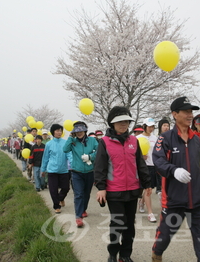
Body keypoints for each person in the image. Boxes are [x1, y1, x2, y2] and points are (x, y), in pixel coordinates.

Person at [152, 96, 200, 262]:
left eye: (191, 111)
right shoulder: (165, 138)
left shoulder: (196, 140)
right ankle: (156, 253)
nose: (190, 115)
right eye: (186, 111)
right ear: (175, 114)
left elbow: (197, 166)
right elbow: (158, 160)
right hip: (174, 200)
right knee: (165, 236)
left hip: (199, 200)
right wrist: (173, 170)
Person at [95, 106, 151, 262]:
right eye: (120, 121)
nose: (124, 124)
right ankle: (113, 253)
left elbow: (140, 163)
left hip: (133, 190)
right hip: (114, 191)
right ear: (112, 123)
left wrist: (147, 183)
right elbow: (100, 167)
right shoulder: (105, 142)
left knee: (129, 225)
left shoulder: (134, 140)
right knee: (118, 223)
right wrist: (101, 188)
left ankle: (125, 255)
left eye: (126, 121)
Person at [63, 121, 98, 228]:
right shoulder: (73, 141)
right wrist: (70, 137)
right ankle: (78, 216)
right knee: (78, 194)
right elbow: (65, 149)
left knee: (86, 193)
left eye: (81, 131)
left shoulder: (92, 140)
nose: (79, 133)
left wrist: (90, 157)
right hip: (76, 172)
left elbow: (99, 151)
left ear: (85, 130)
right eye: (76, 131)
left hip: (89, 172)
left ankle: (83, 209)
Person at [41, 124, 71, 214]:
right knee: (53, 189)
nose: (59, 132)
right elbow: (45, 157)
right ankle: (56, 206)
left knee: (66, 188)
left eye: (60, 130)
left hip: (64, 170)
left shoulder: (65, 143)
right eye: (57, 130)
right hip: (52, 170)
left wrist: (73, 164)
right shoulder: (49, 144)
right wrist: (43, 169)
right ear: (53, 132)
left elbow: (69, 155)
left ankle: (60, 198)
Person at [136, 118, 157, 223]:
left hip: (152, 165)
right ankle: (150, 213)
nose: (151, 128)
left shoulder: (155, 138)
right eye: (149, 126)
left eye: (153, 126)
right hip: (142, 167)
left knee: (149, 189)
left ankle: (142, 202)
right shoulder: (137, 138)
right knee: (146, 189)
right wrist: (140, 157)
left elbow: (157, 152)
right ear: (144, 126)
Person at [155, 117, 171, 200]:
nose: (166, 127)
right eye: (164, 125)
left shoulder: (172, 138)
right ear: (160, 127)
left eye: (167, 125)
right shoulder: (158, 139)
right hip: (162, 165)